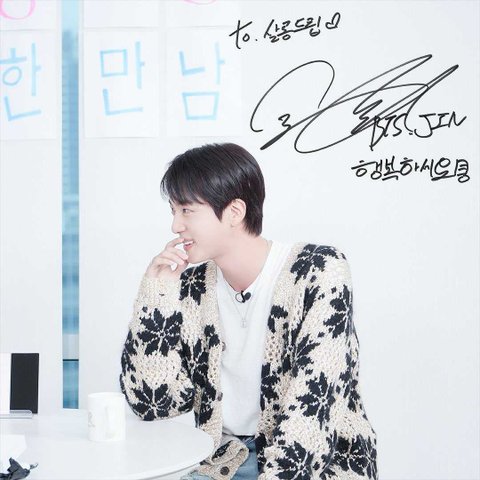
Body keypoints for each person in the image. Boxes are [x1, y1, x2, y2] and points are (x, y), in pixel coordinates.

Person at [119, 143, 378, 479]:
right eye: (173, 211)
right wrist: (156, 297)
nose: (175, 226)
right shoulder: (191, 287)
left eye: (186, 210)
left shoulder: (318, 271)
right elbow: (154, 404)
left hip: (317, 465)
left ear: (234, 212)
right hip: (221, 461)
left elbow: (314, 406)